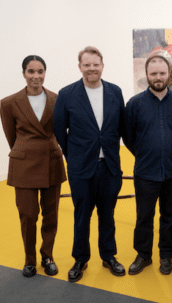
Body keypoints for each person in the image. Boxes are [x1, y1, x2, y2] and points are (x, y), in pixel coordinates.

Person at [53, 46, 126, 282]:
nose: (92, 68)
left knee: (108, 214)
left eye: (96, 64)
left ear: (102, 65)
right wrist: (72, 156)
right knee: (82, 215)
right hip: (81, 168)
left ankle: (108, 256)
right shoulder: (67, 94)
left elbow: (121, 128)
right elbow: (59, 130)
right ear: (80, 67)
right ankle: (81, 258)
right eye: (87, 64)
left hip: (110, 167)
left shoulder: (115, 92)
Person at [0, 55, 66, 278]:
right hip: (24, 165)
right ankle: (29, 259)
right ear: (23, 73)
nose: (36, 76)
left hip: (51, 162)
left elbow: (61, 132)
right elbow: (12, 136)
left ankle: (47, 256)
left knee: (51, 214)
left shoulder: (57, 100)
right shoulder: (9, 103)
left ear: (45, 73)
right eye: (31, 71)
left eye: (40, 71)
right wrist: (25, 150)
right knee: (28, 215)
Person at [124, 55, 172, 275]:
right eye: (153, 73)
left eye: (162, 73)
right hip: (145, 173)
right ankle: (143, 255)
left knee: (169, 217)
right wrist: (144, 154)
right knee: (144, 217)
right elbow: (128, 137)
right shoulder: (135, 104)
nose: (158, 77)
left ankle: (166, 256)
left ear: (169, 74)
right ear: (146, 75)